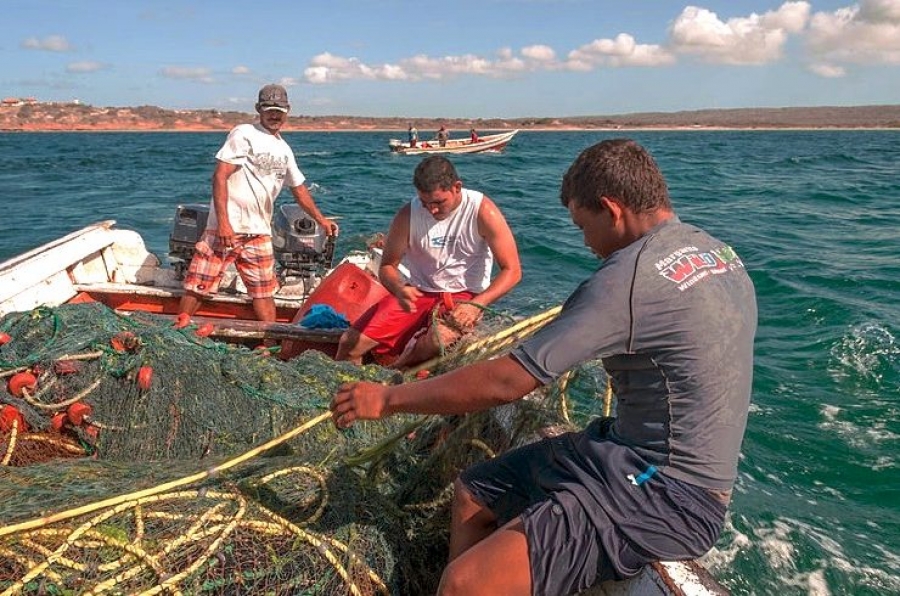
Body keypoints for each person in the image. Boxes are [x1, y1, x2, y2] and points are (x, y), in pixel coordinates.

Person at [330, 139, 757, 595]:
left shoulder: (625, 281)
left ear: (612, 210)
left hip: (668, 493)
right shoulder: (715, 252)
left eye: (582, 225)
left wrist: (389, 398)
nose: (586, 243)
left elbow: (509, 380)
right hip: (620, 450)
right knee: (474, 493)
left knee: (463, 584)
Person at [334, 155, 521, 369]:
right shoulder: (407, 215)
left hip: (464, 295)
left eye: (438, 202)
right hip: (418, 293)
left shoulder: (482, 211)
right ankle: (347, 393)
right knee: (350, 343)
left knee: (436, 340)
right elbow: (387, 266)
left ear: (457, 187)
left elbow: (512, 271)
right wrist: (398, 288)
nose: (431, 210)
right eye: (425, 203)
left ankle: (393, 376)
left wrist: (477, 305)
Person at [178, 84, 338, 323]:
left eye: (279, 110)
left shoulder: (283, 148)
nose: (274, 115)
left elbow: (298, 188)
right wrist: (223, 224)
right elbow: (220, 175)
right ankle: (177, 328)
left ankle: (270, 344)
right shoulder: (243, 133)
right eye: (269, 109)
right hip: (226, 228)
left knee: (264, 292)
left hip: (259, 231)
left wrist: (321, 220)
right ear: (258, 109)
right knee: (198, 285)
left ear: (288, 111)